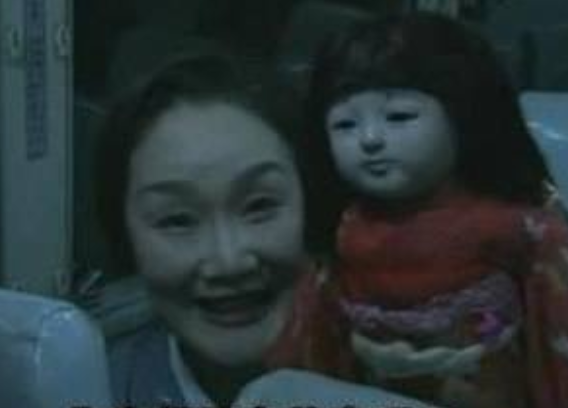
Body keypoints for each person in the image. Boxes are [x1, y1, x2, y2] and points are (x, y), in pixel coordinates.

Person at [276, 11, 568, 408]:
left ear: (464, 117)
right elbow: (313, 352)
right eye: (345, 124)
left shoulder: (523, 229)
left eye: (399, 116)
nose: (370, 139)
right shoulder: (341, 231)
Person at [94, 51, 438, 407]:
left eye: (260, 206)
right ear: (127, 239)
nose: (229, 261)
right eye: (177, 220)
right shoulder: (90, 387)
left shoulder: (435, 367)